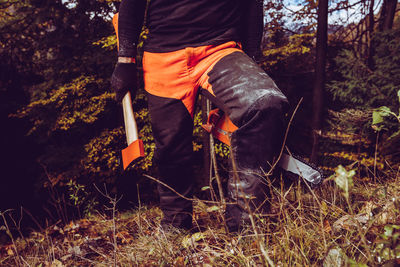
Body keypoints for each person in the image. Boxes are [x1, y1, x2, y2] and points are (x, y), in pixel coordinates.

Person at [111, 0, 289, 232]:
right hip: (162, 57)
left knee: (264, 103)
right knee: (170, 148)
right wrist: (125, 60)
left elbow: (252, 5)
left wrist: (253, 59)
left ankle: (248, 223)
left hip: (221, 51)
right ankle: (175, 225)